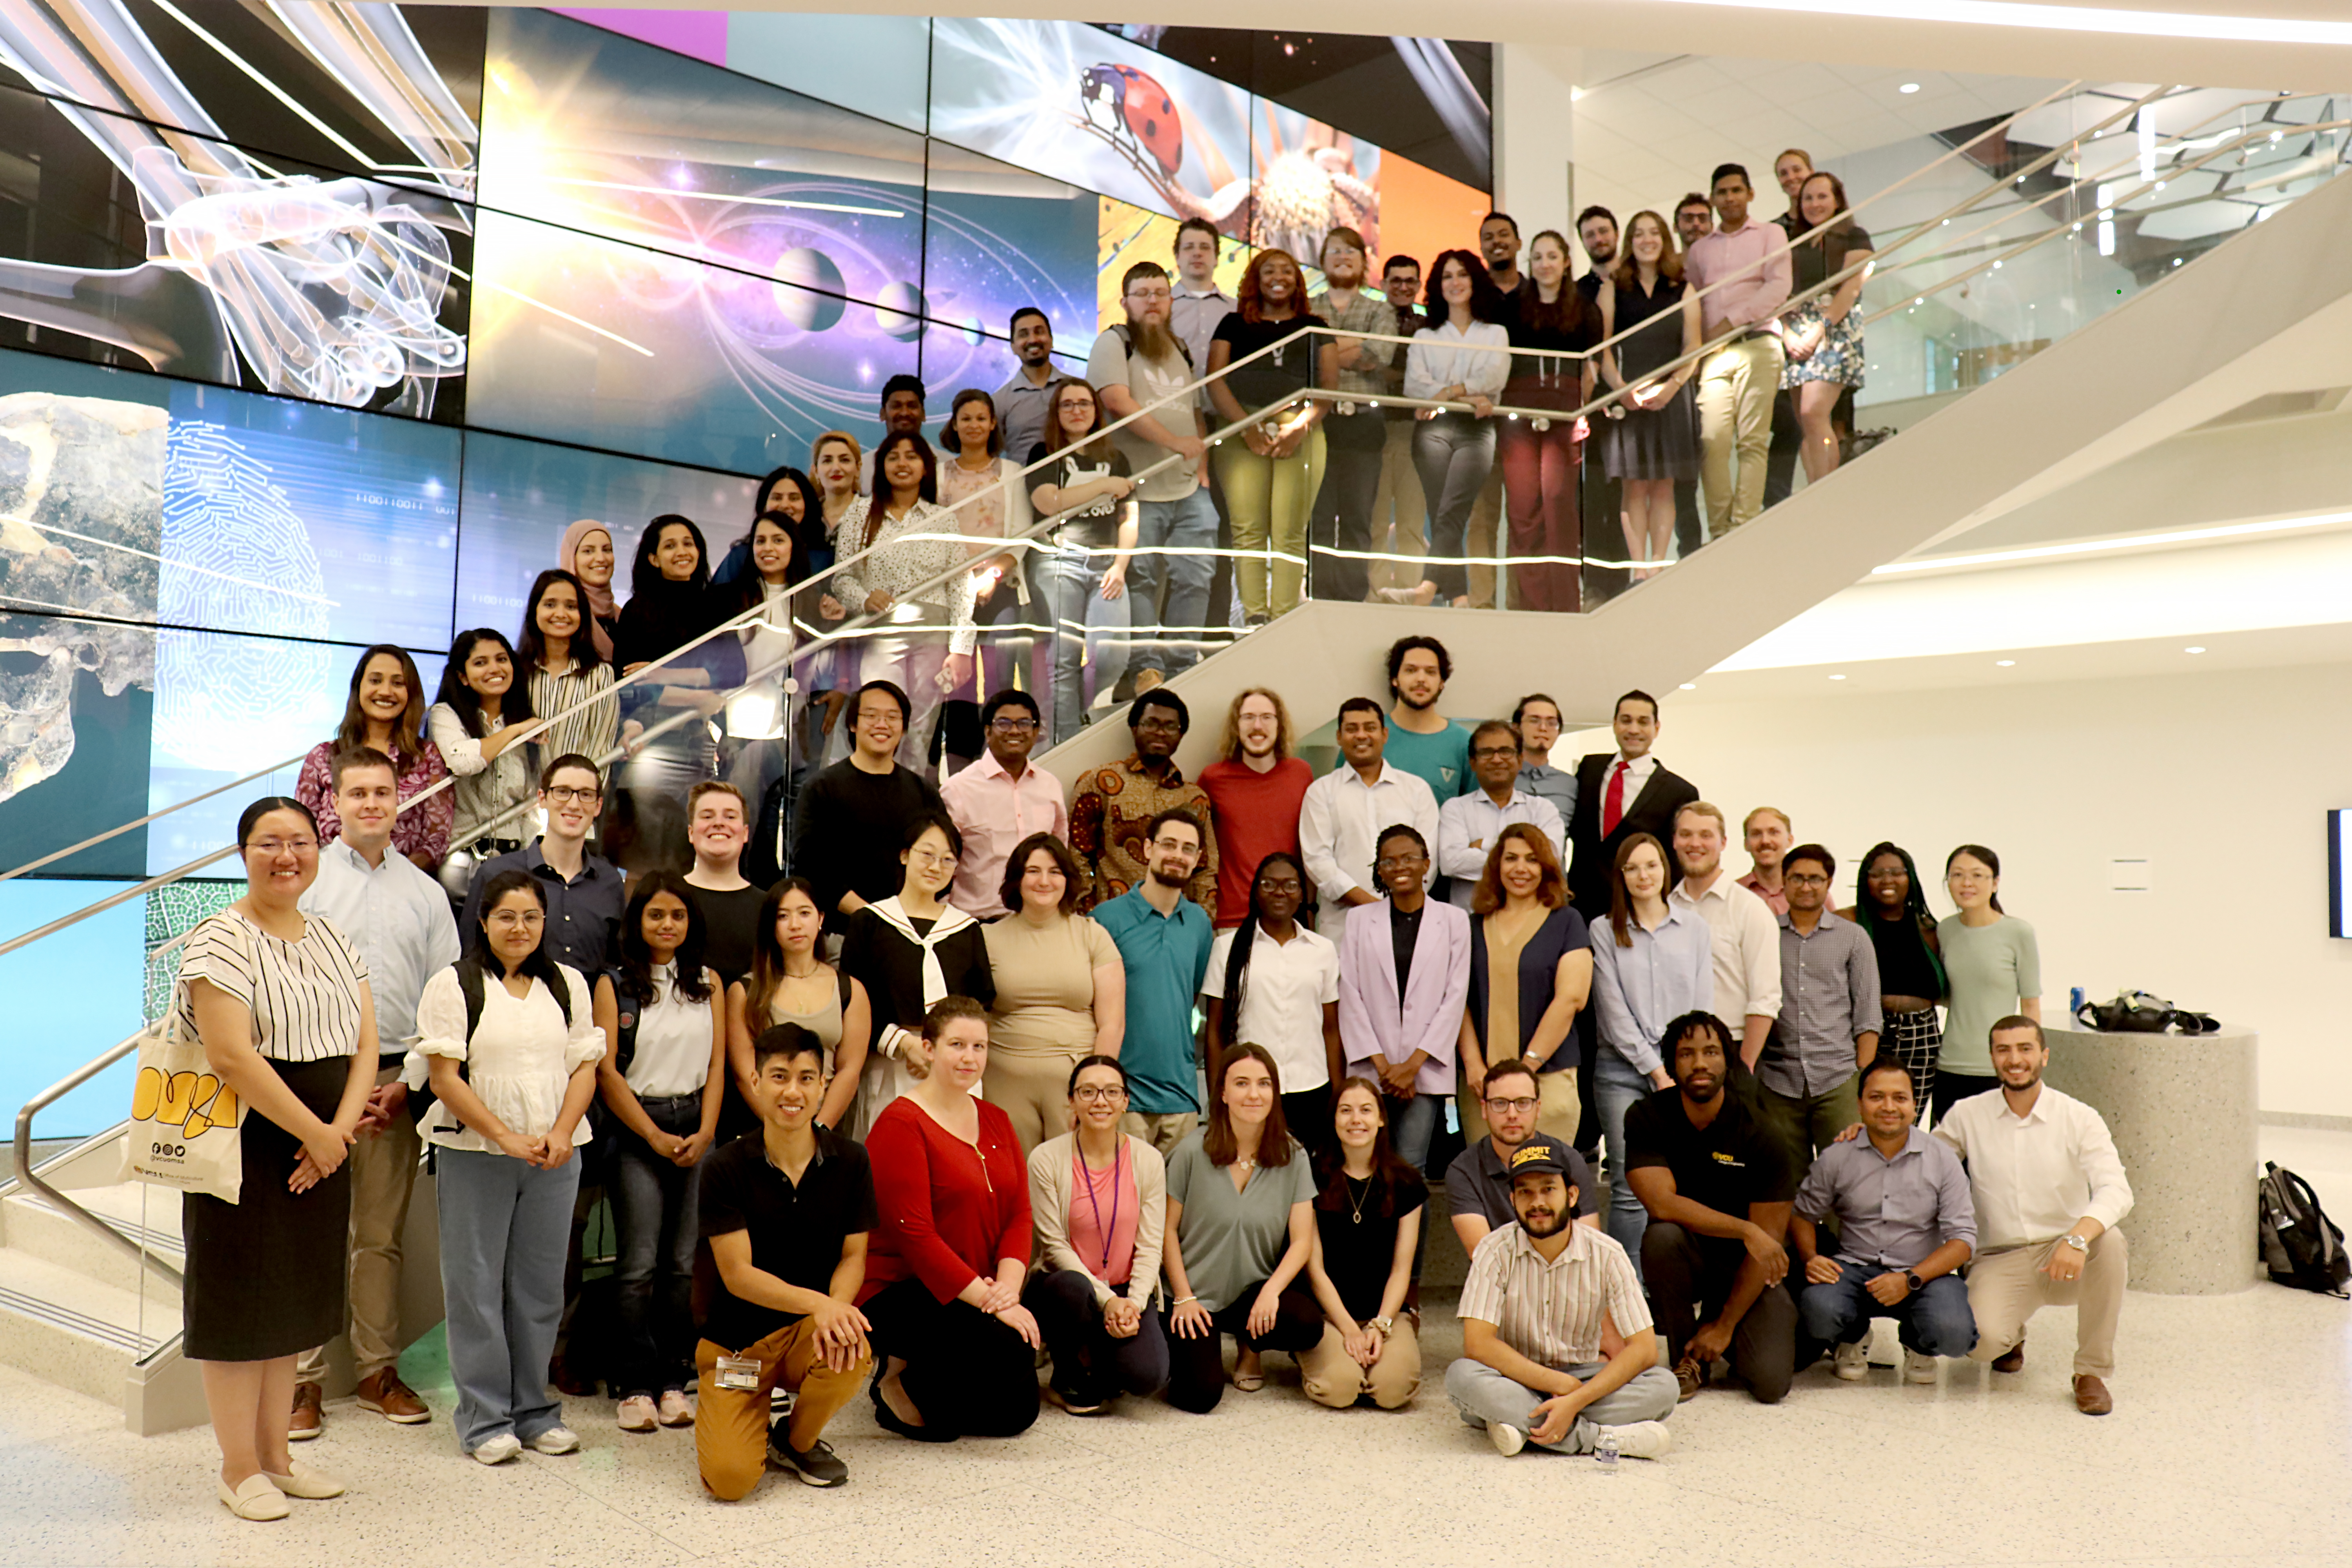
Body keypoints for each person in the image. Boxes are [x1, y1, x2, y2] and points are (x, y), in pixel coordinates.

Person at [179, 797, 377, 1519]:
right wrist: (317, 1133)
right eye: (269, 844)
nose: (286, 856)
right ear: (243, 853)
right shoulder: (217, 939)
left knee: (293, 1304)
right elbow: (232, 1055)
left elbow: (365, 1046)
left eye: (299, 842)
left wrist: (338, 1134)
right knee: (239, 1309)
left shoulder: (332, 936)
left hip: (323, 1144)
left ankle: (277, 1459)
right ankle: (238, 1469)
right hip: (245, 1147)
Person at [290, 751, 460, 1437]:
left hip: (395, 1085)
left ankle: (375, 1371)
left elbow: (446, 1001)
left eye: (382, 793)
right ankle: (300, 1381)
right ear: (335, 800)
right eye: (357, 793)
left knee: (379, 1239)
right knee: (310, 1235)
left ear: (400, 802)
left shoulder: (425, 892)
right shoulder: (306, 881)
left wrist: (408, 1084)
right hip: (315, 1080)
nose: (370, 804)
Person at [417, 868, 605, 1463]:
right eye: (506, 917)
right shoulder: (453, 985)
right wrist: (504, 1136)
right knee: (475, 1287)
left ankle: (535, 1411)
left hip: (554, 1155)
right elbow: (445, 1077)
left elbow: (585, 1067)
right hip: (476, 1153)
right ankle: (483, 1419)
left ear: (545, 922)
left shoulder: (569, 984)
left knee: (541, 1288)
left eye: (530, 917)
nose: (519, 928)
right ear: (483, 920)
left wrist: (556, 1134)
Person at [691, 1023, 875, 1498]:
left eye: (807, 1078)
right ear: (755, 1082)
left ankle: (795, 1439)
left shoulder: (852, 1161)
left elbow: (855, 1255)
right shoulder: (724, 1166)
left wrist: (835, 1312)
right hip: (740, 1343)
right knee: (730, 1482)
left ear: (823, 1086)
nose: (793, 1091)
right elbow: (738, 1275)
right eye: (779, 1077)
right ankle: (743, 1417)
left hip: (805, 1335)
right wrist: (823, 1306)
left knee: (852, 1347)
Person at [859, 998, 1042, 1441]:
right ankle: (896, 1382)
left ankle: (931, 1374)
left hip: (976, 1285)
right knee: (1008, 1350)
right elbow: (917, 1238)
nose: (969, 1057)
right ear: (928, 1048)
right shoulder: (901, 1123)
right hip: (901, 1289)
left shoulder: (996, 1119)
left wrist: (1009, 1291)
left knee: (1019, 1415)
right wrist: (990, 1301)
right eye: (956, 1044)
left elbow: (1020, 1213)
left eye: (979, 1046)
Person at [1935, 1017, 2132, 1415]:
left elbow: (2117, 1190)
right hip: (1999, 1257)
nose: (2015, 1059)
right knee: (1978, 1345)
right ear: (1992, 1058)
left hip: (2067, 1254)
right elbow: (1923, 1164)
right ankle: (2011, 1336)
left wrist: (2076, 1239)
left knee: (2110, 1242)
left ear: (2044, 1055)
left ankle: (2090, 1372)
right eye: (2004, 1050)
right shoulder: (1967, 1114)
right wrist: (1866, 1137)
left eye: (2025, 1048)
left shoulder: (2079, 1117)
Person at [1445, 1140, 1677, 1460]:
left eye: (1548, 1189)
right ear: (1513, 1200)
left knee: (1664, 1387)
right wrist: (1560, 1385)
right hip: (1517, 1376)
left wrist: (1577, 1398)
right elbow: (1478, 1345)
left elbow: (1644, 1349)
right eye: (1525, 1192)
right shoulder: (1493, 1250)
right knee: (1462, 1376)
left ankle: (1520, 1426)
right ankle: (1601, 1439)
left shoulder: (1607, 1254)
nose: (1537, 1202)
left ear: (1571, 1195)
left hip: (1583, 1375)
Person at [593, 871, 726, 1433]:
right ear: (637, 921)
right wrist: (652, 1135)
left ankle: (674, 1378)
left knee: (681, 1264)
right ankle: (634, 1383)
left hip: (698, 1127)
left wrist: (705, 1133)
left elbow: (719, 1066)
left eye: (677, 915)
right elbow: (606, 1071)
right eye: (656, 915)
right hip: (638, 1130)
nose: (667, 925)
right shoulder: (615, 984)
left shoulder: (709, 982)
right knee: (639, 1265)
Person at [1625, 1012, 1799, 1405]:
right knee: (1661, 1236)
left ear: (1728, 1060)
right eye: (1687, 1053)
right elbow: (1661, 1203)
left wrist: (1725, 1326)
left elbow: (1767, 1246)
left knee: (1771, 1385)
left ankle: (1720, 1334)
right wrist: (1745, 1229)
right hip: (1687, 1256)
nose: (1700, 1063)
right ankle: (1688, 1360)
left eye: (1711, 1051)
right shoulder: (1646, 1117)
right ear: (1671, 1064)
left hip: (1747, 1270)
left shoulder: (1762, 1131)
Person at [1792, 1057, 1976, 1385]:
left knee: (1954, 1334)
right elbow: (1803, 1215)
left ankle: (1918, 1344)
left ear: (1915, 1105)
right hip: (1853, 1269)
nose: (1889, 1107)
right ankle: (1853, 1336)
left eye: (1900, 1098)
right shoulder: (1838, 1156)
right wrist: (1811, 1258)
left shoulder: (1942, 1159)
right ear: (1860, 1105)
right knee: (1817, 1311)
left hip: (1924, 1274)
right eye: (1877, 1097)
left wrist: (1910, 1279)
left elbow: (1963, 1241)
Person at [1160, 1044, 1322, 1412]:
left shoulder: (1293, 1156)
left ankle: (1251, 1347)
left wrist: (1271, 1293)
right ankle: (1185, 1347)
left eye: (1264, 1084)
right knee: (1200, 1397)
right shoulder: (1191, 1152)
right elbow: (1166, 1231)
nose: (1254, 1094)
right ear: (1223, 1093)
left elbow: (1301, 1242)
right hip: (1192, 1297)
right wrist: (1184, 1298)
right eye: (1242, 1083)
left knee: (1306, 1324)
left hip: (1249, 1294)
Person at [1090, 260, 1216, 689]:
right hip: (1138, 489)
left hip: (1188, 488)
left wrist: (1200, 465)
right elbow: (1117, 403)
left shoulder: (1179, 348)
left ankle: (1182, 669)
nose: (1152, 301)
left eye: (1160, 293)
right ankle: (1145, 667)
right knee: (1140, 578)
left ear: (1170, 300)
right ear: (1125, 301)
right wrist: (1174, 444)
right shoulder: (1114, 341)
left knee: (1196, 578)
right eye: (1142, 293)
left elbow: (1195, 412)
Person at [1587, 833, 1713, 1261]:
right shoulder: (1604, 929)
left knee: (1682, 1180)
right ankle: (1630, 1289)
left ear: (1665, 869)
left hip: (1684, 1070)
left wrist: (1683, 1069)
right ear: (1621, 876)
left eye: (1652, 865)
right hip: (1622, 1070)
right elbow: (1612, 1011)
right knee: (1630, 1181)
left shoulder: (1694, 927)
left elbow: (1702, 1006)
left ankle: (1672, 1281)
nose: (1644, 875)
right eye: (1634, 868)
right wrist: (1656, 1072)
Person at [1024, 1055, 1170, 1414]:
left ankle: (1099, 1357)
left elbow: (1151, 1245)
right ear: (1071, 1101)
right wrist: (1109, 1302)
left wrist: (1133, 1305)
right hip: (1065, 1290)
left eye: (1111, 1092)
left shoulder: (1148, 1160)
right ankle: (1068, 1372)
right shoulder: (1046, 1159)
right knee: (1072, 1288)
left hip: (1125, 1290)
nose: (1100, 1101)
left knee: (1148, 1376)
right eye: (1087, 1091)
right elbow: (1054, 1245)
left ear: (1125, 1101)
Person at [838, 812, 994, 1134]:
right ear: (905, 855)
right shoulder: (870, 922)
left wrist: (946, 1048)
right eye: (927, 855)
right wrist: (906, 1044)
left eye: (948, 860)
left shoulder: (966, 929)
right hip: (888, 1063)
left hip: (953, 1066)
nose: (936, 867)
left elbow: (980, 1003)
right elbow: (852, 999)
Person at [834, 433, 977, 775]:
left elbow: (961, 587)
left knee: (921, 728)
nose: (902, 464)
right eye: (893, 457)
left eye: (912, 457)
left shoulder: (943, 518)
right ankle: (874, 797)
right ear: (881, 466)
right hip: (883, 631)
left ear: (926, 467)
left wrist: (961, 649)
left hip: (933, 631)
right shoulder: (860, 513)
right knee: (879, 717)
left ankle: (907, 803)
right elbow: (841, 580)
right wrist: (865, 599)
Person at [1208, 246, 1334, 625]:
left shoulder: (1316, 327)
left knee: (1289, 531)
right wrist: (1246, 428)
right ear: (1255, 280)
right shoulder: (1232, 324)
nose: (1278, 278)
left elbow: (1328, 389)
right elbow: (1215, 382)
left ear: (1297, 280)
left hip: (1301, 429)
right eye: (1269, 271)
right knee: (1247, 529)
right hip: (1240, 428)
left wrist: (1300, 428)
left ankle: (1283, 619)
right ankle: (1253, 618)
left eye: (1287, 271)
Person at [1336, 824, 1469, 1172]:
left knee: (1412, 1168)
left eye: (1409, 858)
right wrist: (1384, 1068)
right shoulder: (1359, 920)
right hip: (1371, 1068)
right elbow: (1350, 993)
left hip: (1423, 1071)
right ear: (1379, 870)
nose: (1400, 867)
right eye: (1389, 861)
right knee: (1364, 1166)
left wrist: (1411, 1067)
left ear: (1427, 864)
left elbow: (1455, 997)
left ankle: (1412, 1232)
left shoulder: (1455, 920)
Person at [612, 516, 744, 862]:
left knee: (691, 859)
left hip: (700, 744)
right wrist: (699, 692)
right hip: (650, 742)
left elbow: (734, 672)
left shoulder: (715, 604)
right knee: (643, 859)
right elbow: (630, 687)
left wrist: (662, 674)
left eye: (688, 543)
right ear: (653, 559)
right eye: (670, 546)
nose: (682, 552)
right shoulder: (637, 610)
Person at [984, 833, 1124, 1154]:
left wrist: (1093, 1091)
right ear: (1017, 880)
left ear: (1068, 879)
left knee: (1074, 1187)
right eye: (1033, 871)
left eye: (1055, 871)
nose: (1044, 881)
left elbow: (1113, 1024)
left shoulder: (1093, 935)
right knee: (1014, 1187)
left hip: (1075, 1089)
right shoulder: (986, 938)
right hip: (1003, 1084)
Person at [767, 681, 944, 921]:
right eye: (871, 715)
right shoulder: (821, 788)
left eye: (893, 717)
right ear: (853, 724)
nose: (882, 724)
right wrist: (870, 915)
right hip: (841, 931)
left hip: (911, 925)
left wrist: (906, 916)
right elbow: (811, 864)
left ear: (903, 729)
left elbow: (944, 856)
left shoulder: (923, 792)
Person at [1093, 808, 1215, 1154]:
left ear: (1197, 859)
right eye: (1169, 845)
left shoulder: (1199, 924)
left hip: (1182, 1097)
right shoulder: (1105, 920)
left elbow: (1189, 997)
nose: (1178, 855)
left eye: (1188, 849)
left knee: (1176, 1208)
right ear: (1148, 849)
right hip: (1122, 1096)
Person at [1461, 824, 1590, 1150]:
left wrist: (1526, 1070)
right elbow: (1455, 1000)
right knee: (1491, 1189)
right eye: (1511, 859)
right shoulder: (1473, 926)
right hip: (1483, 1088)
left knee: (1545, 1188)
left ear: (1546, 868)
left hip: (1547, 1082)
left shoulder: (1567, 921)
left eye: (1532, 860)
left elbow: (1571, 998)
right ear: (1496, 866)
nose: (1521, 869)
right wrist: (1474, 1065)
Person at [1025, 376, 1140, 745]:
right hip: (1060, 562)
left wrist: (1121, 566)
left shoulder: (1116, 457)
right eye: (1068, 404)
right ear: (1056, 413)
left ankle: (1077, 714)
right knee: (1062, 661)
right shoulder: (1043, 453)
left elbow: (1130, 517)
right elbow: (1048, 502)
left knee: (1112, 655)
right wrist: (1106, 485)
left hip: (1108, 565)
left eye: (1084, 404)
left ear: (1096, 411)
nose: (1077, 411)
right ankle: (1066, 744)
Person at [1299, 1078, 1425, 1410]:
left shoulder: (1407, 1182)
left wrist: (1380, 1325)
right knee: (1340, 1390)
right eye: (1346, 1111)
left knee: (1392, 1392)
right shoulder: (1310, 1178)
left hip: (1384, 1313)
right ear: (1334, 1120)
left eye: (1366, 1110)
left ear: (1382, 1119)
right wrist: (1348, 1331)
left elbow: (1402, 1269)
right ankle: (1324, 1359)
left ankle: (1375, 1359)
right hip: (1329, 1314)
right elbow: (1315, 1269)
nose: (1357, 1120)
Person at [1203, 851, 1342, 1145]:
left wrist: (1338, 1095)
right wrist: (1219, 1097)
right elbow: (1214, 1031)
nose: (1280, 892)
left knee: (1307, 1185)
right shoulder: (1227, 948)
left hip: (1312, 1089)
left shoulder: (1323, 950)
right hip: (1251, 1092)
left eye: (1290, 885)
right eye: (1269, 884)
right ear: (1255, 892)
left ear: (1303, 894)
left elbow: (1330, 1028)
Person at [1686, 163, 1793, 539]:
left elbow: (1778, 288)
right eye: (1722, 192)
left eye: (1736, 191)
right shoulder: (1699, 251)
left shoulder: (1771, 234)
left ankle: (1744, 527)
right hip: (1714, 355)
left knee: (1753, 441)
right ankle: (1721, 533)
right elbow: (1692, 303)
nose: (1729, 198)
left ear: (1750, 194)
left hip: (1759, 344)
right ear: (1713, 199)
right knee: (1712, 442)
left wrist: (1730, 323)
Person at [1598, 211, 1703, 581]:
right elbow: (1603, 347)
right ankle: (1638, 568)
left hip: (1672, 397)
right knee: (1634, 484)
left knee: (1664, 484)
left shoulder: (1682, 289)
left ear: (1665, 240)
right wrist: (1621, 389)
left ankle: (1658, 564)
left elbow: (1693, 346)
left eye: (1654, 233)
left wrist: (1672, 387)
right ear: (1630, 242)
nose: (1647, 240)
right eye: (1639, 234)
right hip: (1629, 397)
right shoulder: (1613, 287)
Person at [1401, 249, 1508, 610]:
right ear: (1437, 285)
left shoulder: (1495, 333)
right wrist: (1470, 392)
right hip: (1434, 428)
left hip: (1477, 429)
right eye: (1447, 276)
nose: (1455, 283)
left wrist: (1447, 392)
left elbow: (1494, 377)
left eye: (1462, 274)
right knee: (1441, 509)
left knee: (1454, 507)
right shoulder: (1425, 335)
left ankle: (1429, 587)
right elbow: (1415, 386)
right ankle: (1460, 598)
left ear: (1475, 281)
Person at [1499, 229, 1599, 612]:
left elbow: (1590, 368)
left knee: (1559, 503)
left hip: (1565, 410)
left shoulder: (1585, 308)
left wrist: (1581, 409)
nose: (1545, 264)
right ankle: (1532, 607)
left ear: (1566, 262)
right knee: (1524, 511)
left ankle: (1564, 606)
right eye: (1538, 258)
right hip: (1520, 412)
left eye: (1552, 257)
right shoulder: (1512, 307)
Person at [1760, 844, 1881, 1157]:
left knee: (1847, 1179)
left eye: (1815, 879)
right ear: (1784, 883)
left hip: (1838, 1081)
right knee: (1786, 1185)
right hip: (1778, 1082)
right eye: (1797, 878)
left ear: (1829, 883)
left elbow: (1868, 1015)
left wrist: (1862, 1080)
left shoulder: (1853, 937)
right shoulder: (1765, 935)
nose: (1806, 886)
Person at [459, 755, 626, 977]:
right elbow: (470, 960)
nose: (574, 804)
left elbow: (614, 968)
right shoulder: (496, 873)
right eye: (563, 792)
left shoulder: (610, 882)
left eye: (586, 795)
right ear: (542, 798)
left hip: (586, 1011)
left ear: (598, 806)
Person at [297, 645, 450, 873]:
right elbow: (300, 832)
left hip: (399, 886)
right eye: (376, 681)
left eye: (398, 683)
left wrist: (390, 877)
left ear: (412, 693)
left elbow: (437, 838)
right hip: (329, 885)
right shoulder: (322, 756)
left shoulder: (428, 757)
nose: (386, 691)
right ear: (359, 688)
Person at [1299, 697, 1440, 940]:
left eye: (1370, 728)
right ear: (1339, 737)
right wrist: (1373, 906)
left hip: (1408, 921)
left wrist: (1398, 906)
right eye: (1352, 729)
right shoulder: (1321, 792)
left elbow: (1427, 858)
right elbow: (1318, 861)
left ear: (1385, 735)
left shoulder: (1416, 790)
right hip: (1344, 926)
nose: (1361, 735)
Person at [937, 392, 1034, 739]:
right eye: (966, 418)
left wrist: (992, 575)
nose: (974, 425)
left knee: (1000, 676)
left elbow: (1023, 535)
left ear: (993, 423)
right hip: (949, 593)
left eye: (981, 418)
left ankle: (1001, 747)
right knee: (960, 684)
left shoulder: (1012, 473)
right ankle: (964, 759)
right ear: (955, 424)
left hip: (1001, 588)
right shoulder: (938, 475)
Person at [1068, 689, 1218, 913]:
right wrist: (1088, 916)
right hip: (1112, 922)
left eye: (1170, 727)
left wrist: (1202, 920)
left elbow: (1205, 867)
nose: (1160, 732)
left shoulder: (1194, 798)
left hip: (1176, 922)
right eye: (1151, 723)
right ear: (1135, 728)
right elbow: (1077, 857)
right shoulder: (1100, 783)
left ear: (1180, 735)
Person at [1305, 226, 1390, 606]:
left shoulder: (1380, 309)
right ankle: (1321, 597)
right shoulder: (1305, 308)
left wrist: (1325, 354)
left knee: (1358, 517)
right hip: (1315, 421)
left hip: (1364, 422)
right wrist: (1351, 349)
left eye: (1351, 251)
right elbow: (1301, 361)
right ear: (1322, 261)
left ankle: (1354, 599)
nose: (1342, 257)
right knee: (1318, 516)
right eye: (1334, 251)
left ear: (1363, 262)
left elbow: (1375, 357)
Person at [1668, 802, 1782, 1074]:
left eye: (1706, 835)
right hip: (1674, 1050)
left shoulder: (1749, 909)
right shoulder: (1665, 908)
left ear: (1724, 843)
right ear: (1674, 841)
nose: (1695, 844)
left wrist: (1744, 1065)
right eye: (1686, 834)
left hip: (1732, 1049)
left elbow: (1765, 998)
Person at [1566, 689, 1699, 918]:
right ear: (1615, 725)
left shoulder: (1680, 792)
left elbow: (1675, 863)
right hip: (1579, 907)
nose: (1634, 730)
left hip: (1636, 912)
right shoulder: (1590, 768)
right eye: (1626, 721)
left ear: (1657, 728)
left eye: (1643, 722)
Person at [1935, 844, 2041, 1123]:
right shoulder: (1944, 930)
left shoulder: (2018, 933)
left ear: (1995, 883)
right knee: (1949, 1162)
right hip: (1949, 1065)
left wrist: (2031, 1065)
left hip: (1999, 1069)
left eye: (1978, 875)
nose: (1967, 883)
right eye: (1957, 875)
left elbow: (2030, 1006)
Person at [1782, 170, 1875, 485]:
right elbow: (1779, 293)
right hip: (1796, 334)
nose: (1815, 204)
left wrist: (1820, 329)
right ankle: (1814, 486)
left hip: (1834, 331)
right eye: (1808, 198)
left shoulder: (1854, 235)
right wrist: (1788, 333)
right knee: (1805, 422)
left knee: (1814, 413)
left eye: (1822, 196)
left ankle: (1825, 487)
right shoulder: (1794, 243)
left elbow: (1850, 288)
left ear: (1837, 200)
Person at [940, 689, 1067, 918]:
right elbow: (941, 861)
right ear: (988, 732)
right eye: (1004, 723)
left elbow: (1060, 852)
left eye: (1024, 723)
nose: (1015, 731)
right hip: (978, 923)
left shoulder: (1050, 787)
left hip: (1038, 920)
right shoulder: (958, 789)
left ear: (1036, 731)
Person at [1840, 842, 1946, 1117]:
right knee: (1862, 1122)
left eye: (1897, 872)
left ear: (1910, 878)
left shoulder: (1928, 929)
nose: (1888, 880)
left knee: (1906, 1120)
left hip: (1921, 1036)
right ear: (1865, 880)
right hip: (1866, 1034)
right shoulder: (1847, 922)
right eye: (1877, 873)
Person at [1444, 1071, 1600, 1254]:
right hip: (1497, 1279)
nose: (1512, 1114)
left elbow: (1590, 1246)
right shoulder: (1463, 1170)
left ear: (1538, 1108)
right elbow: (1484, 1255)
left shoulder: (1568, 1159)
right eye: (1500, 1103)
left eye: (1523, 1103)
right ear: (1484, 1109)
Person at [719, 492, 809, 809]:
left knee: (778, 821)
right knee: (742, 812)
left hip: (793, 727)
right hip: (739, 724)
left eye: (778, 540)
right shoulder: (731, 599)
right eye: (760, 541)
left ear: (794, 547)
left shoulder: (811, 599)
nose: (768, 548)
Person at [1198, 686, 1314, 929]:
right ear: (1236, 726)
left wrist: (1310, 911)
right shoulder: (1213, 779)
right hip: (1232, 921)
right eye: (1248, 718)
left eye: (1267, 718)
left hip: (1290, 920)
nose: (1258, 726)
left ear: (1279, 725)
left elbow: (1311, 850)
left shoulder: (1301, 774)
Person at [429, 628, 539, 858]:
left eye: (502, 660)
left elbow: (531, 801)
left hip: (513, 853)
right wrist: (513, 732)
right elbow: (464, 762)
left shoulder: (523, 720)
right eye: (481, 663)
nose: (495, 669)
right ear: (463, 677)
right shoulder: (444, 714)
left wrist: (531, 857)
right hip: (461, 851)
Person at [517, 568, 628, 787]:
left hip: (574, 801)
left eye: (571, 606)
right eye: (550, 605)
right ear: (534, 611)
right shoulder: (515, 672)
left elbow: (601, 749)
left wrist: (581, 798)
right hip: (517, 803)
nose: (561, 614)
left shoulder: (600, 675)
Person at [1439, 722, 1565, 909]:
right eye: (1487, 752)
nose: (1497, 760)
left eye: (1505, 751)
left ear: (1520, 760)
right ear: (1473, 763)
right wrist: (1525, 860)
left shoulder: (1542, 809)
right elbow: (1450, 863)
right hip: (1471, 925)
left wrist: (1484, 845)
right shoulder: (1456, 809)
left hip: (1531, 923)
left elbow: (1550, 859)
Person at [1368, 253, 1428, 599]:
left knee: (1411, 521)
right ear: (1383, 284)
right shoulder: (1372, 321)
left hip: (1413, 431)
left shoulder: (1428, 327)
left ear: (1419, 286)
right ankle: (1375, 594)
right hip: (1372, 428)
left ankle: (1409, 594)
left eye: (1410, 281)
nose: (1403, 287)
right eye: (1396, 281)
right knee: (1375, 522)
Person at [802, 432, 863, 759]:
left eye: (844, 459)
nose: (836, 467)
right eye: (827, 460)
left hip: (859, 642)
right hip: (809, 645)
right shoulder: (803, 520)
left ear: (858, 467)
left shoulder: (872, 517)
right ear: (815, 470)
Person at [681, 782, 765, 987]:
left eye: (730, 817)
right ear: (691, 833)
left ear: (746, 833)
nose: (719, 823)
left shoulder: (768, 906)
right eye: (708, 816)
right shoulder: (667, 898)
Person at [1381, 635, 1470, 803]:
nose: (1421, 679)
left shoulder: (1463, 743)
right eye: (1411, 670)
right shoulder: (1369, 736)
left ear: (1442, 682)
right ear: (1395, 679)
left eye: (1431, 672)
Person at [994, 305, 1058, 462]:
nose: (1033, 340)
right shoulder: (999, 401)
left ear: (1051, 340)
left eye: (1039, 332)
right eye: (1023, 335)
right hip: (1022, 485)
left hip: (1077, 483)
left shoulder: (1078, 390)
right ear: (1013, 347)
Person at [558, 519, 622, 663]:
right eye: (588, 551)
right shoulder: (563, 616)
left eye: (607, 550)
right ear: (572, 558)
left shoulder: (624, 616)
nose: (601, 559)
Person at [1511, 694, 1576, 827]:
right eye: (1534, 721)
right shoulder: (1500, 777)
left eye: (1552, 723)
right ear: (1516, 728)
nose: (1543, 728)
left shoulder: (1570, 784)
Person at [856, 374, 927, 494]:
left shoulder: (945, 465)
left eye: (912, 406)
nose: (905, 413)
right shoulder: (863, 467)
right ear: (882, 414)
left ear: (924, 414)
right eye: (896, 406)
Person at [1738, 806, 1792, 914]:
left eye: (1774, 833)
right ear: (1746, 844)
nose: (1765, 841)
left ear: (1790, 840)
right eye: (1756, 834)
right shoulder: (1733, 894)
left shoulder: (1810, 894)